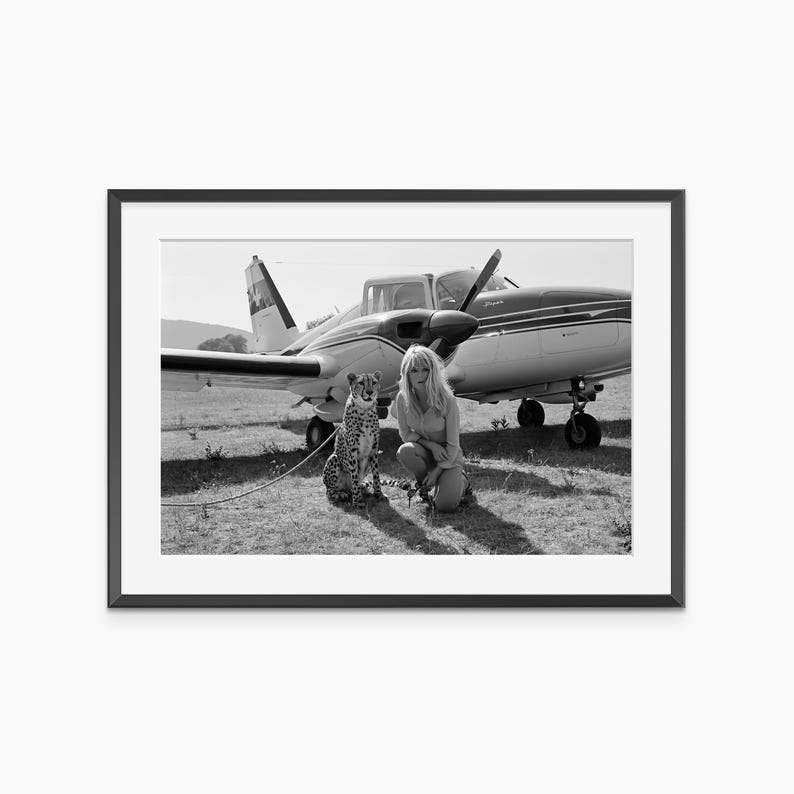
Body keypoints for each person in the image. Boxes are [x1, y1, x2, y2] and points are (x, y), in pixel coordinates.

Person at [395, 345, 470, 512]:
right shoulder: (402, 398)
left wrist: (436, 472)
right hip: (425, 451)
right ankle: (423, 486)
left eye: (425, 369)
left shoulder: (447, 400)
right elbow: (405, 433)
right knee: (405, 451)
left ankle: (462, 481)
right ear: (406, 373)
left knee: (445, 506)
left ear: (433, 371)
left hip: (448, 457)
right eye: (414, 370)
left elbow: (453, 445)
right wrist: (430, 445)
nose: (420, 375)